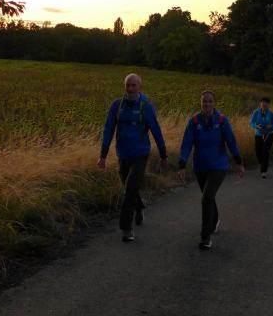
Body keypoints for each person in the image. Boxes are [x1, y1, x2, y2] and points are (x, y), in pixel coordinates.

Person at [98, 73, 167, 242]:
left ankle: (126, 229)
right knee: (128, 186)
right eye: (128, 85)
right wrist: (103, 155)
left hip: (140, 154)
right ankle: (140, 206)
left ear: (139, 87)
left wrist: (163, 154)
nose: (130, 88)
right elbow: (108, 130)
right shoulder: (116, 105)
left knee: (130, 189)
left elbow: (156, 130)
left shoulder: (146, 106)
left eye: (133, 85)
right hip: (123, 154)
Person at [178, 90, 245, 250]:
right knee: (208, 197)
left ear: (214, 103)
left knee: (206, 198)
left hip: (218, 166)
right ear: (200, 103)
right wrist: (182, 164)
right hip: (200, 167)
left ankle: (205, 237)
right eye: (204, 101)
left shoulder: (221, 120)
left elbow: (231, 141)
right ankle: (214, 222)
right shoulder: (194, 121)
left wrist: (239, 162)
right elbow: (187, 143)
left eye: (210, 101)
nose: (207, 104)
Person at [249, 97, 273, 178]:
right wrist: (256, 126)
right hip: (258, 135)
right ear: (260, 103)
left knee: (265, 151)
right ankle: (262, 163)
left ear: (269, 105)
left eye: (266, 103)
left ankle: (263, 171)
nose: (264, 104)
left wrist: (271, 126)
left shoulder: (272, 113)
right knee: (258, 153)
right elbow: (251, 123)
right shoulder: (256, 112)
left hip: (269, 135)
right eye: (263, 102)